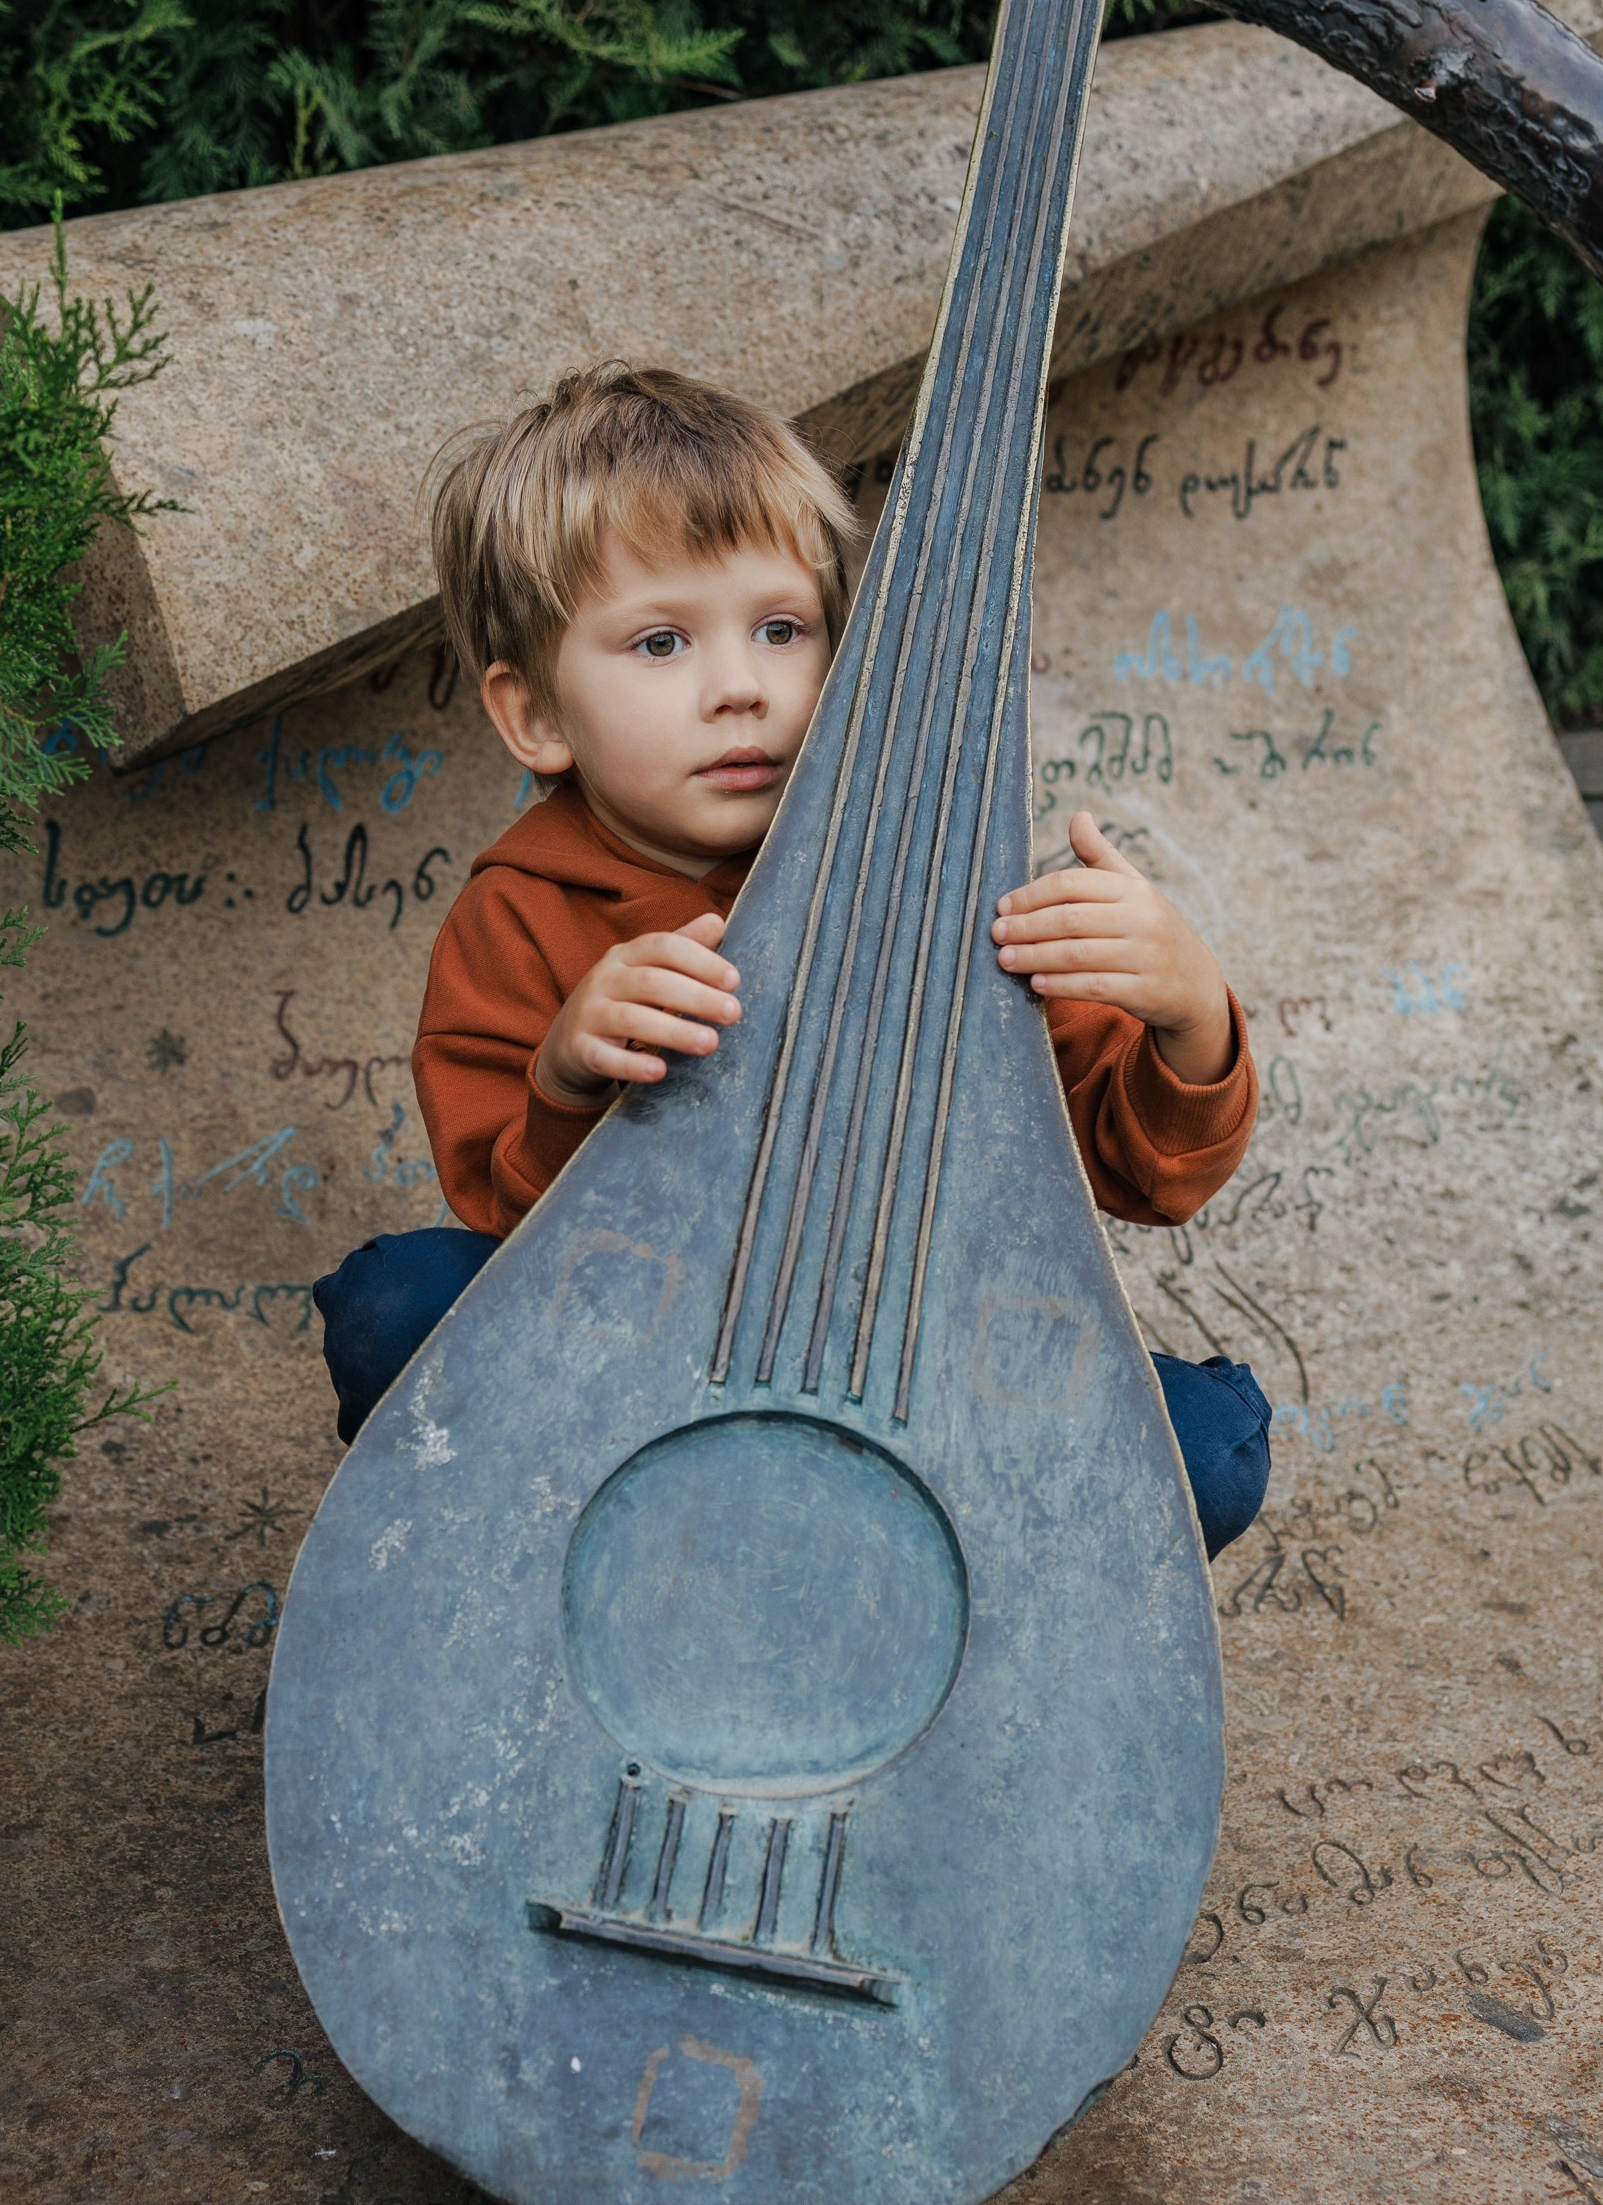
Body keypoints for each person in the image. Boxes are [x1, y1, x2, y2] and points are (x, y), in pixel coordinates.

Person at [316, 365, 1272, 1557]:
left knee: (1201, 1451)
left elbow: (1140, 1176)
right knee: (393, 1308)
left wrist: (1186, 1018)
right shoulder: (518, 916)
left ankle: (904, 1614)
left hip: (909, 1363)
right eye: (660, 642)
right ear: (537, 716)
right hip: (637, 1368)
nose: (740, 689)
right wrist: (569, 1079)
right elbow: (510, 1234)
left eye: (783, 629)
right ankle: (573, 1594)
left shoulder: (939, 871)